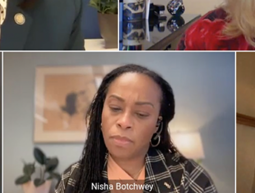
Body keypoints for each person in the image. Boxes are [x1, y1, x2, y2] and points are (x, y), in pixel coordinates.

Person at [56, 64, 217, 193]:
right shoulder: (73, 179)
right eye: (115, 108)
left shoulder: (188, 178)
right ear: (100, 115)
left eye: (141, 113)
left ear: (157, 124)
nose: (124, 122)